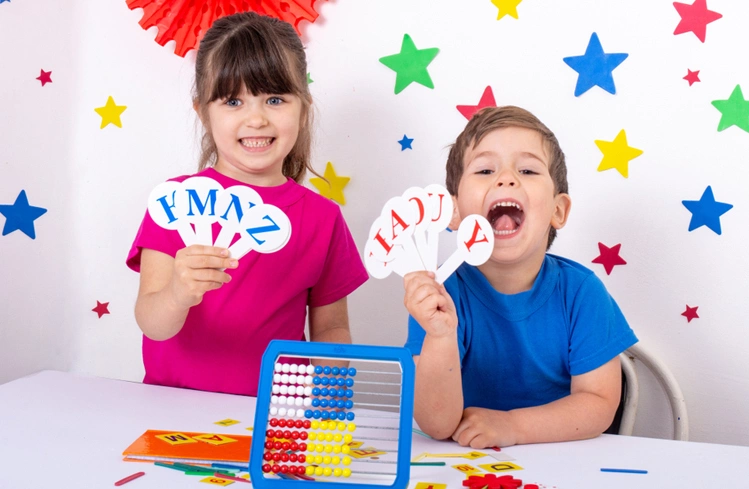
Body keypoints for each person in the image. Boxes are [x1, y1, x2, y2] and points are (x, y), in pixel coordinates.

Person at [126, 12, 368, 396]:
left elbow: (332, 328)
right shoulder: (175, 205)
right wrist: (177, 293)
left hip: (274, 414)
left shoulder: (322, 219)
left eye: (274, 99)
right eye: (233, 101)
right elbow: (152, 323)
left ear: (303, 109)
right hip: (172, 409)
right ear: (204, 113)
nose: (256, 119)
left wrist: (327, 392)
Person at [403, 106, 638, 448]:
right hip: (463, 464)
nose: (506, 178)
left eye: (527, 170)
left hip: (562, 461)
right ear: (452, 213)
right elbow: (437, 425)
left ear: (558, 210)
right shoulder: (437, 298)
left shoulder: (583, 293)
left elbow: (599, 405)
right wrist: (440, 334)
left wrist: (513, 426)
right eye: (485, 170)